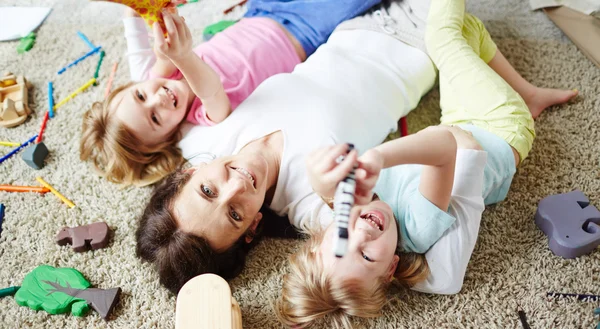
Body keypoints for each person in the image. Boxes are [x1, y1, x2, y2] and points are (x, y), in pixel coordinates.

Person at [136, 0, 575, 295]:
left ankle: (526, 92)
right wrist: (333, 190)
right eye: (234, 213)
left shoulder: (202, 138)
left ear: (188, 173)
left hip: (352, 26)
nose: (236, 189)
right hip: (417, 40)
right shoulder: (306, 206)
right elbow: (357, 229)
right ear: (251, 229)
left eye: (208, 191)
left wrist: (174, 51)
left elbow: (140, 105)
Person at [276, 0, 577, 329]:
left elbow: (331, 197)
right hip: (501, 128)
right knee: (442, 38)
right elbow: (445, 147)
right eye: (367, 257)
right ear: (391, 268)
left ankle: (528, 94)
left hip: (462, 121)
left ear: (325, 234)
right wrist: (380, 157)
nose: (363, 233)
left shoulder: (353, 210)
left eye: (344, 240)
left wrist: (324, 184)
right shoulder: (418, 229)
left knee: (466, 30)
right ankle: (522, 101)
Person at [80, 0, 382, 186]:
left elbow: (144, 32)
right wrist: (184, 57)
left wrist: (155, 18)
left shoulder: (155, 76)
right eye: (156, 118)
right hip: (303, 32)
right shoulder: (202, 115)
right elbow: (212, 90)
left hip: (260, 11)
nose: (158, 99)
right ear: (167, 138)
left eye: (141, 96)